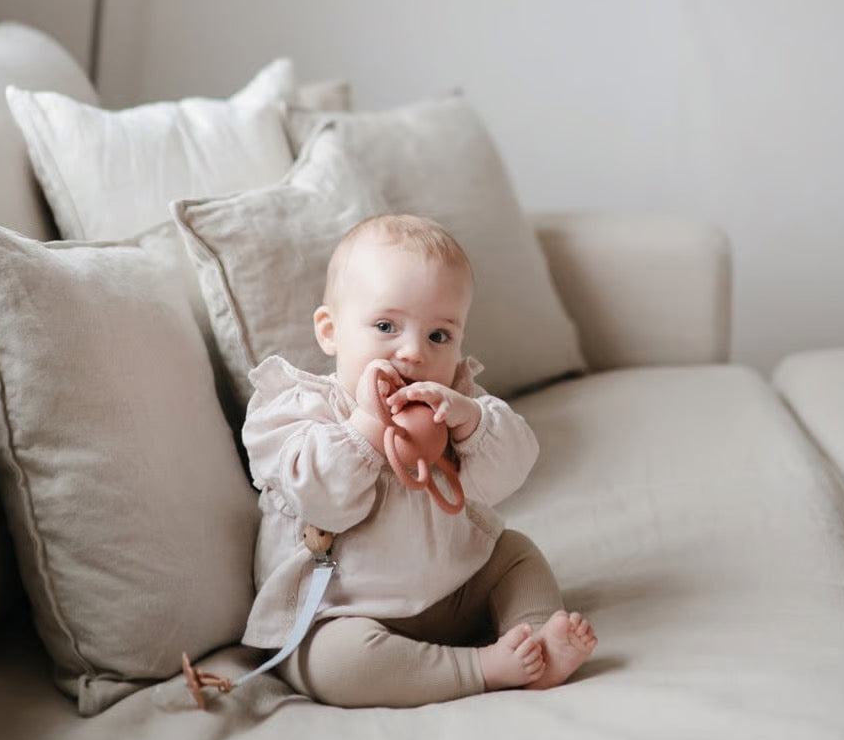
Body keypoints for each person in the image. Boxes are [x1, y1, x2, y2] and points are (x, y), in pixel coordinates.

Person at [240, 213, 596, 707]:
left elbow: (510, 471)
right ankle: (479, 668)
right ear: (330, 331)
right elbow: (322, 501)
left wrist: (469, 422)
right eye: (386, 326)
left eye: (439, 336)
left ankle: (535, 640)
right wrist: (368, 425)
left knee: (516, 554)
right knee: (338, 665)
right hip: (345, 611)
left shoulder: (454, 403)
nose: (412, 353)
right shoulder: (297, 411)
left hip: (456, 590)